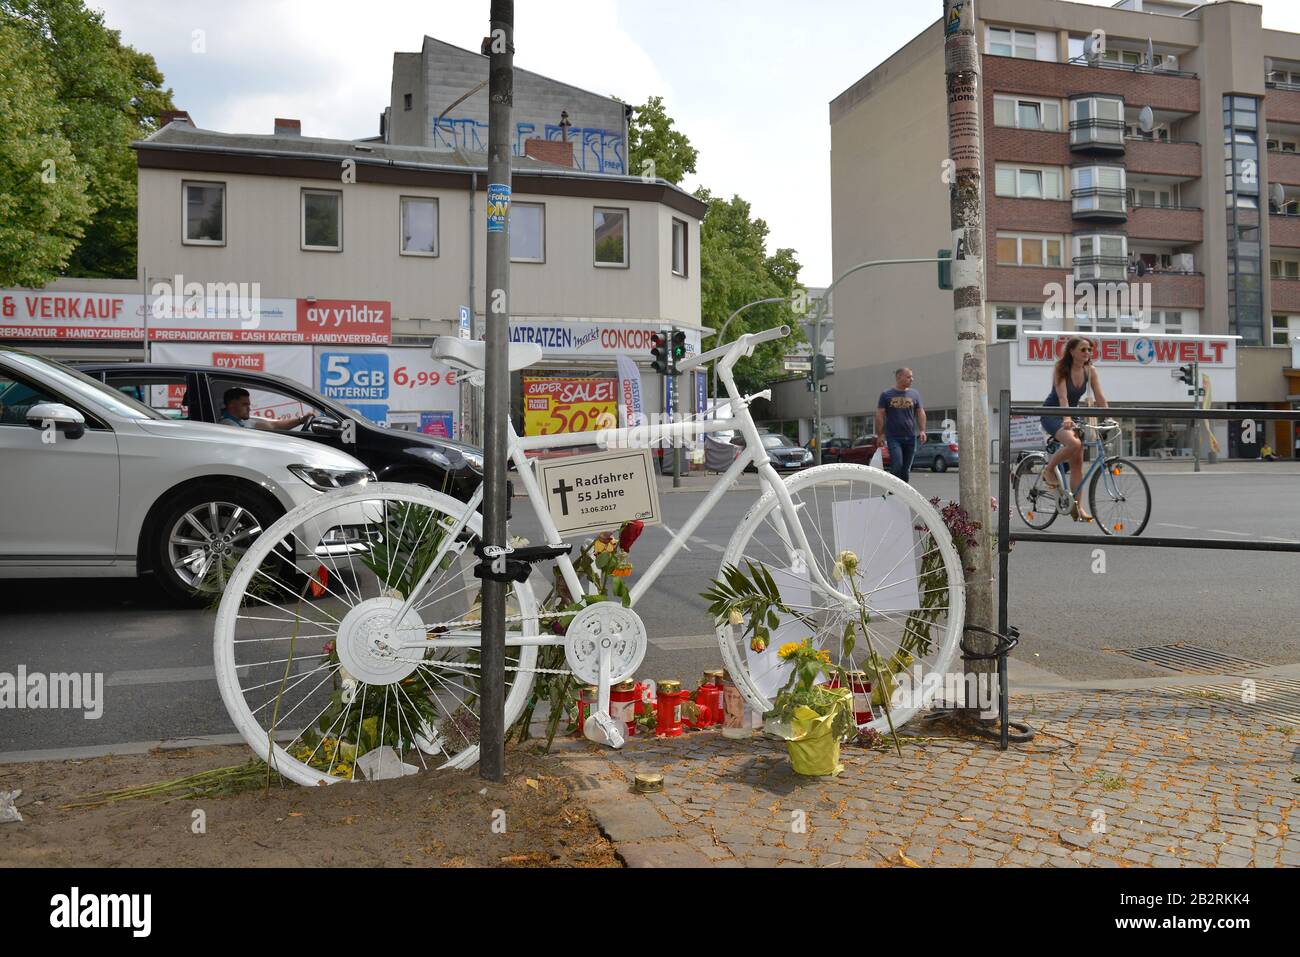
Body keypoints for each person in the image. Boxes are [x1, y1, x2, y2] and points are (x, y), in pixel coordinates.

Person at [1040, 336, 1107, 522]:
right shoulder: (1061, 368)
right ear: (1072, 351)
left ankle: (1078, 507)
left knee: (1078, 462)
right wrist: (1067, 417)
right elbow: (1063, 398)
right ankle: (1049, 469)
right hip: (1054, 413)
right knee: (1073, 444)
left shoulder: (1090, 370)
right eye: (1083, 349)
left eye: (1090, 350)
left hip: (1072, 415)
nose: (1087, 353)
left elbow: (1100, 396)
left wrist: (1110, 417)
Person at [875, 367, 926, 484]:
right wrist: (880, 435)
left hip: (911, 437)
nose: (912, 379)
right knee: (897, 465)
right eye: (908, 377)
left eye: (912, 376)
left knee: (905, 470)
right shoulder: (886, 394)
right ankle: (893, 491)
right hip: (894, 437)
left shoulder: (915, 394)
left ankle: (902, 496)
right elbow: (879, 415)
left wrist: (922, 430)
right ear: (899, 377)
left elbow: (920, 412)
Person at [219, 387, 314, 431]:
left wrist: (301, 420)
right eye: (244, 405)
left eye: (249, 405)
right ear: (231, 405)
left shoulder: (240, 421)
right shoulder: (228, 426)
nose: (249, 409)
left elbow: (274, 425)